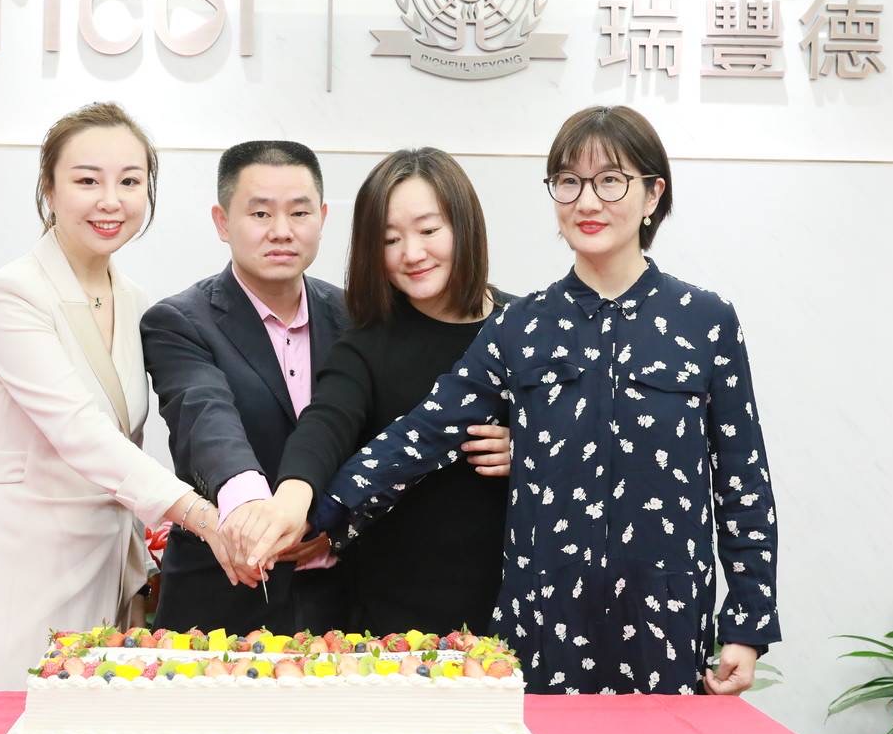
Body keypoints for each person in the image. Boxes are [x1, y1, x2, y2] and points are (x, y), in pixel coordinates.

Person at [246, 106, 780, 696]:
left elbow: (743, 482)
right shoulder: (519, 326)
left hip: (665, 617)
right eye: (569, 182)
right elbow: (422, 434)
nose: (587, 201)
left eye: (610, 180)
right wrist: (312, 512)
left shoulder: (704, 321)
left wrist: (747, 625)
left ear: (653, 194)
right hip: (544, 622)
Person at [0, 103, 242, 690]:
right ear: (49, 189)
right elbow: (79, 430)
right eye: (87, 181)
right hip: (15, 569)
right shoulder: (14, 294)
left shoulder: (134, 299)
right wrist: (202, 516)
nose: (111, 201)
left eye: (129, 181)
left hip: (102, 567)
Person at [266, 148, 514, 634]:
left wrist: (531, 448)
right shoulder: (366, 343)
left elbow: (589, 442)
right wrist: (292, 495)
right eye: (390, 239)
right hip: (391, 616)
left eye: (428, 230)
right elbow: (326, 423)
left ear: (464, 226)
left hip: (513, 605)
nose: (411, 253)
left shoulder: (526, 327)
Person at [139, 141, 350, 634]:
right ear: (222, 222)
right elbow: (204, 415)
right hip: (221, 599)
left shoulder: (357, 317)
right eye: (260, 213)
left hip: (340, 602)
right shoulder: (179, 321)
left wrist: (334, 525)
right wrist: (252, 508)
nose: (281, 230)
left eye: (299, 212)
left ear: (321, 218)